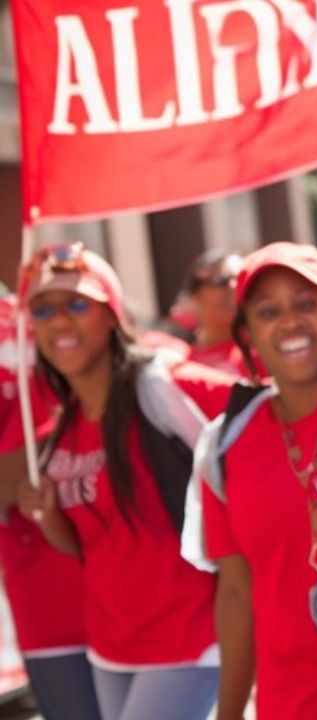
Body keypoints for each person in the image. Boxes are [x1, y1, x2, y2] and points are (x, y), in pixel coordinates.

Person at [14, 243, 231, 720]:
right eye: (43, 310)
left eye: (77, 305)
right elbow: (80, 546)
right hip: (112, 646)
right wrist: (48, 513)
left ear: (112, 315)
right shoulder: (60, 427)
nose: (58, 322)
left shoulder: (159, 384)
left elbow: (264, 409)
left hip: (189, 636)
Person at [188, 243, 317, 720]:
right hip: (288, 705)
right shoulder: (222, 445)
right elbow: (235, 594)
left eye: (306, 304)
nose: (290, 322)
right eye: (268, 311)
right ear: (247, 332)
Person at [0, 291, 99, 720]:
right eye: (47, 311)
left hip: (133, 598)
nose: (59, 319)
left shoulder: (29, 305)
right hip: (44, 594)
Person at [183, 250, 250, 377]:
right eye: (221, 281)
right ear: (196, 295)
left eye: (241, 278)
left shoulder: (266, 350)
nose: (233, 286)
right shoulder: (178, 360)